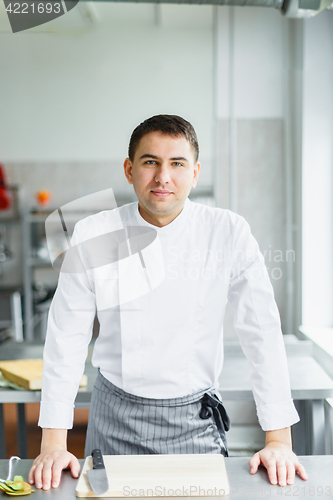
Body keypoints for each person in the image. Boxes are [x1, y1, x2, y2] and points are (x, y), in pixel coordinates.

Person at [29, 114, 308, 491]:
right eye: (150, 162)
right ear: (129, 170)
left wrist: (278, 441)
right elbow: (66, 337)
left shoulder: (228, 232)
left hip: (194, 423)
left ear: (194, 172)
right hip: (115, 420)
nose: (163, 176)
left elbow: (261, 333)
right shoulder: (94, 233)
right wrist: (53, 444)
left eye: (177, 163)